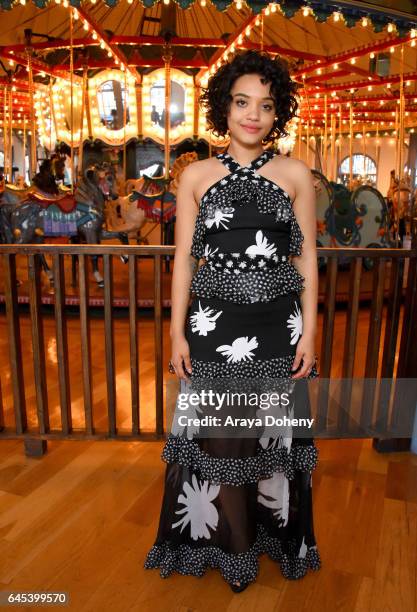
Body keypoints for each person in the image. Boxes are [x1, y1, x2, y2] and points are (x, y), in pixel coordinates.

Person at [144, 49, 320, 593]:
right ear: (224, 107)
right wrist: (176, 331)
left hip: (278, 326)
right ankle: (232, 548)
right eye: (242, 102)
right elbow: (183, 261)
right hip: (212, 327)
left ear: (278, 114)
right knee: (221, 439)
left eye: (266, 106)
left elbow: (307, 258)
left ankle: (272, 540)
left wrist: (310, 331)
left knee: (272, 439)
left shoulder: (295, 174)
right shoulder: (196, 174)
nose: (253, 115)